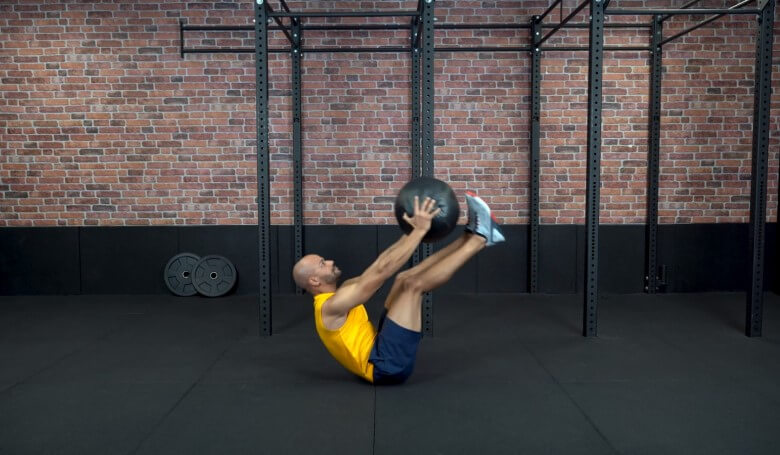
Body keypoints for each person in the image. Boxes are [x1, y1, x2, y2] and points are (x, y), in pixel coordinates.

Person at [292, 192, 505, 384]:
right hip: (385, 367)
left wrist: (412, 231)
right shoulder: (330, 307)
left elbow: (379, 266)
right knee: (413, 286)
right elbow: (381, 271)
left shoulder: (341, 291)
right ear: (314, 281)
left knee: (405, 278)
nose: (329, 261)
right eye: (322, 264)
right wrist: (419, 231)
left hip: (381, 348)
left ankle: (469, 235)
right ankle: (480, 239)